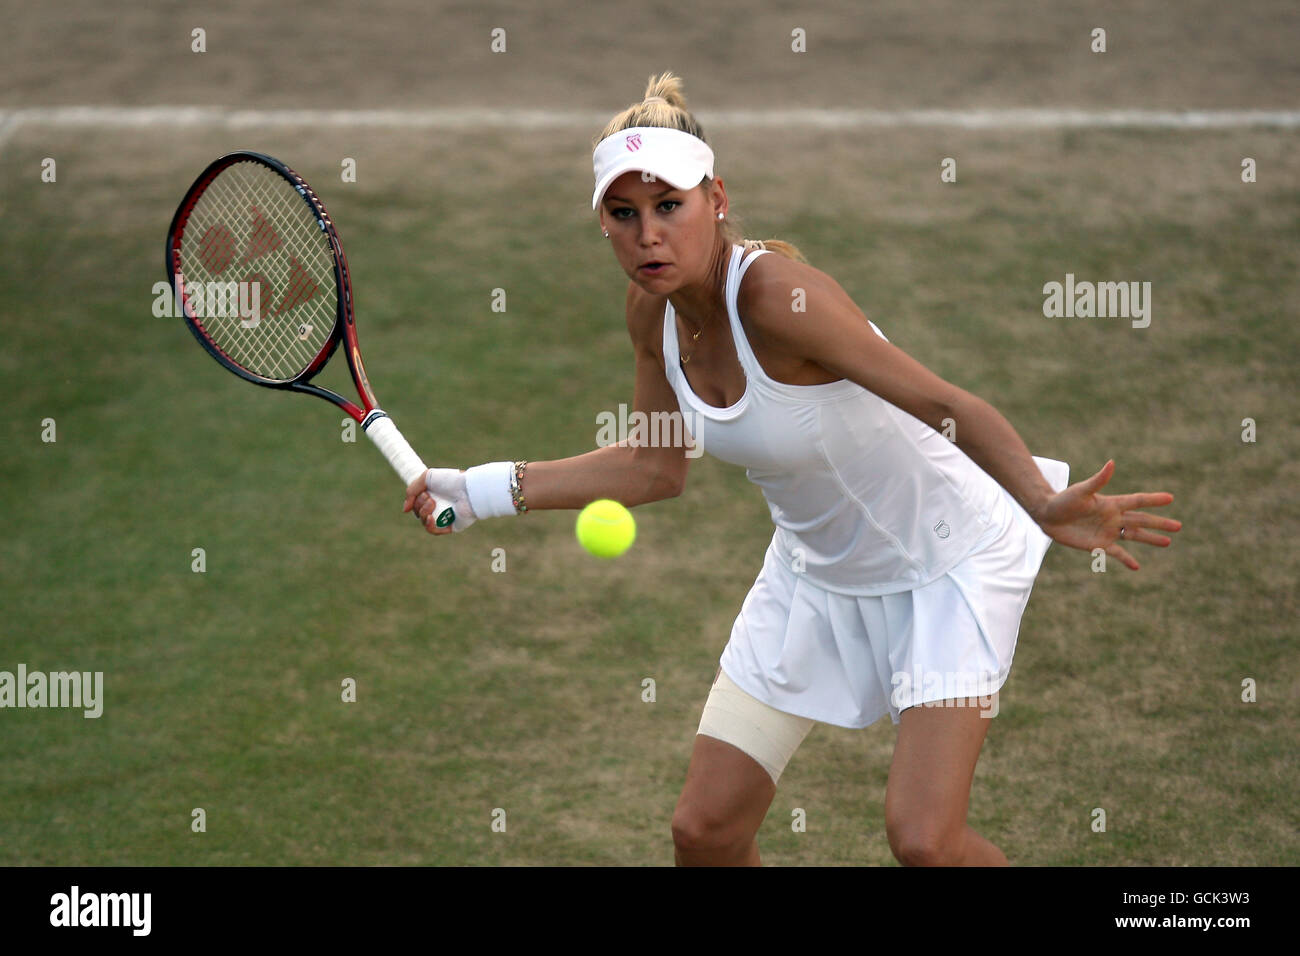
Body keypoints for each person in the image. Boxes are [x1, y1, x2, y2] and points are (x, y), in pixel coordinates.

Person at [401, 72, 1182, 866]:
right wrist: (483, 489)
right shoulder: (651, 314)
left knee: (926, 843)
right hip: (813, 576)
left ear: (717, 200)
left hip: (947, 565)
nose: (647, 237)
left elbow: (945, 403)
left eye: (669, 206)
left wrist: (1043, 501)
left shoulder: (778, 297)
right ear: (602, 222)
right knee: (703, 833)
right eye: (623, 214)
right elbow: (653, 465)